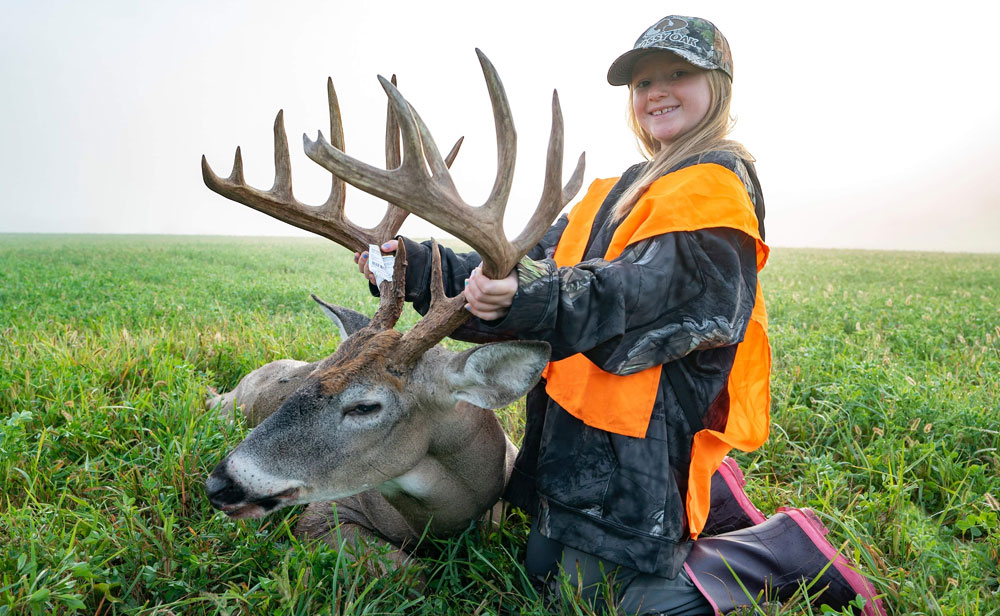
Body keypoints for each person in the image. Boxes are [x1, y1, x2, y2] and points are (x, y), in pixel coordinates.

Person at [357, 15, 885, 616]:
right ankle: (717, 497)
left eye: (678, 74)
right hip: (574, 432)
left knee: (600, 603)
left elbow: (631, 297)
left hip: (645, 443)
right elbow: (527, 270)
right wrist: (417, 266)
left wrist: (527, 299)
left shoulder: (714, 193)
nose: (656, 91)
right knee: (538, 576)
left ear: (720, 86)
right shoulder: (621, 188)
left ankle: (784, 552)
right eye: (641, 83)